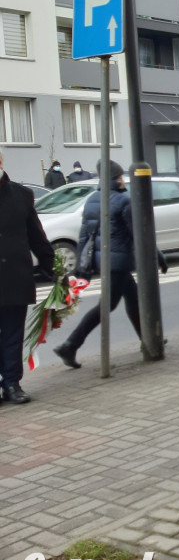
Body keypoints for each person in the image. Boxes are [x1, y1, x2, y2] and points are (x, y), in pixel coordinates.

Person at [53, 160, 168, 369]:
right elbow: (140, 234)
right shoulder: (124, 200)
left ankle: (148, 338)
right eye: (120, 177)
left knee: (132, 299)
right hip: (120, 260)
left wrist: (81, 265)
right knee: (106, 306)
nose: (123, 180)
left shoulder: (93, 199)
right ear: (117, 178)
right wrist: (158, 255)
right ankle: (70, 345)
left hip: (102, 260)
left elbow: (84, 234)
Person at [0, 149, 56, 405]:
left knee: (13, 335)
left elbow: (36, 235)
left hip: (14, 277)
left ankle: (12, 384)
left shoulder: (22, 195)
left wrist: (51, 265)